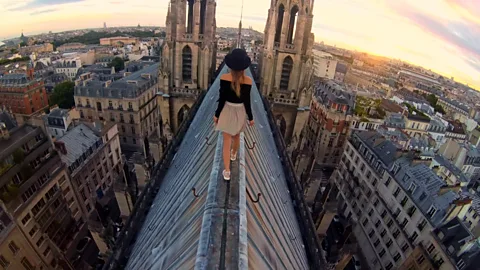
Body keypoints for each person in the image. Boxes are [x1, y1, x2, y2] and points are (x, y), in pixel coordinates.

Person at [214, 49, 254, 180]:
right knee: (236, 136)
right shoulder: (248, 81)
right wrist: (251, 117)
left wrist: (217, 114)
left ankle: (227, 171)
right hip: (240, 111)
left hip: (227, 110)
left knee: (226, 141)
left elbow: (222, 98)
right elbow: (247, 101)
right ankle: (234, 154)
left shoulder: (224, 78)